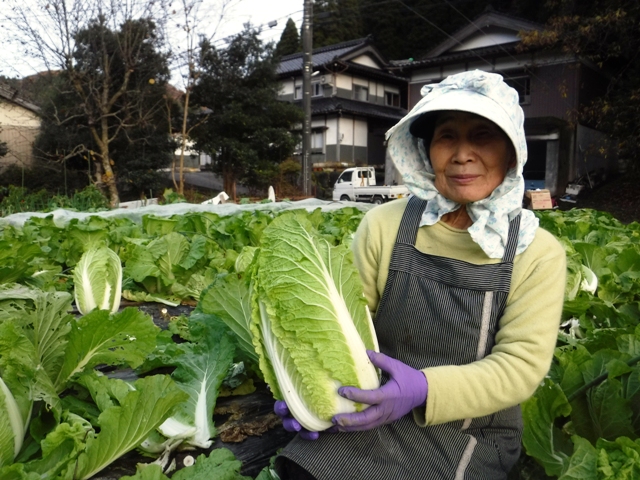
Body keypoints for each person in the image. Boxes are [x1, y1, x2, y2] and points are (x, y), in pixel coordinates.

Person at [273, 70, 566, 479]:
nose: (462, 154)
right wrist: (309, 388)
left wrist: (424, 389)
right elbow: (345, 330)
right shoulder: (384, 225)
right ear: (426, 150)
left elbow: (519, 369)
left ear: (512, 151)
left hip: (471, 429)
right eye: (447, 137)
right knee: (301, 470)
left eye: (482, 136)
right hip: (377, 406)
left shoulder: (536, 253)